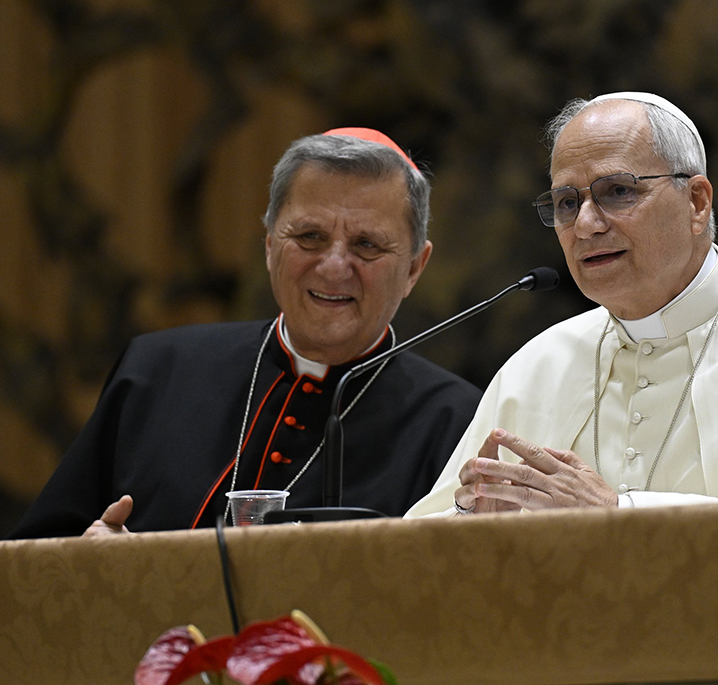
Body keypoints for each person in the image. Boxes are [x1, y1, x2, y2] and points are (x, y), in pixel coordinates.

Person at [406, 92, 718, 517]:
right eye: (566, 202)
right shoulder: (537, 366)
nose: (586, 224)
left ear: (696, 203)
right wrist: (471, 522)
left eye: (617, 191)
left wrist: (622, 516)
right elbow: (427, 540)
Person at [11, 128, 482, 538]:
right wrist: (99, 564)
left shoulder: (458, 422)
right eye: (309, 237)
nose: (335, 266)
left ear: (415, 267)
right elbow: (35, 562)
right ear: (270, 247)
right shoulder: (155, 371)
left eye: (367, 244)